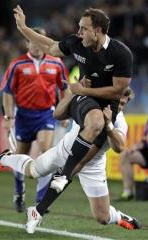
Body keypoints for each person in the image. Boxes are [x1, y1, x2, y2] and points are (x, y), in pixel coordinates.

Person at [13, 5, 133, 215]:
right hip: (84, 100)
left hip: (102, 104)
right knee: (64, 115)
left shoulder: (121, 53)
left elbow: (118, 91)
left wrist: (79, 89)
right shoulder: (77, 43)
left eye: (83, 29)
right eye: (79, 28)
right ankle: (47, 198)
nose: (79, 33)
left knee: (101, 216)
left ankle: (63, 177)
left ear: (97, 31)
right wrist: (23, 27)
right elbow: (50, 46)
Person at [0, 87, 141, 233]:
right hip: (63, 151)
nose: (118, 106)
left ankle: (120, 217)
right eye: (117, 101)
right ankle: (4, 159)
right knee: (32, 171)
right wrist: (74, 91)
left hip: (93, 165)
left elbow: (119, 146)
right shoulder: (92, 105)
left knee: (102, 217)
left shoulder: (119, 121)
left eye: (122, 103)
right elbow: (59, 112)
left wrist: (108, 125)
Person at [0, 27, 69, 212]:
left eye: (40, 41)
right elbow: (7, 92)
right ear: (27, 43)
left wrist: (65, 112)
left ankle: (40, 201)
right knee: (20, 156)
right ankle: (19, 192)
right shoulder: (17, 64)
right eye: (33, 41)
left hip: (46, 113)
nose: (37, 45)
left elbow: (64, 89)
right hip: (23, 116)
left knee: (47, 152)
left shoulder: (57, 63)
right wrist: (8, 117)